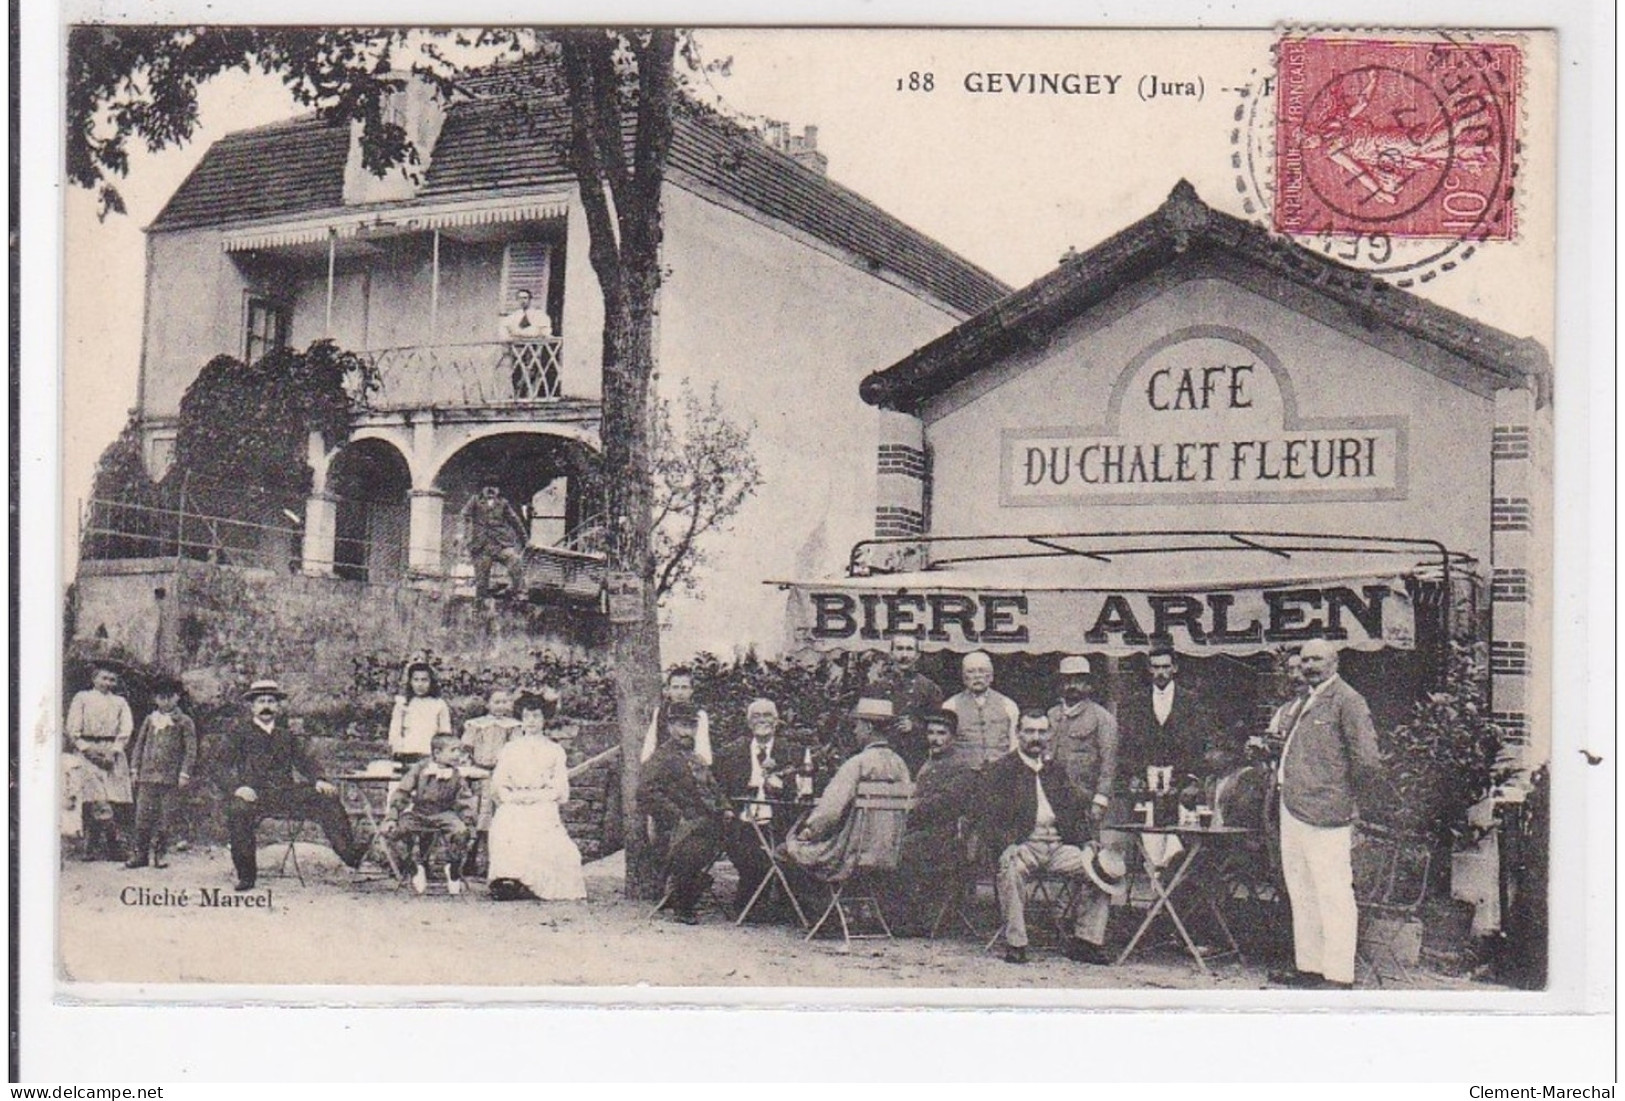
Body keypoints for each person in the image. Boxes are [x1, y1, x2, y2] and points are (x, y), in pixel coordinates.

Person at [1270, 639, 1383, 991]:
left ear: (1335, 662)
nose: (1310, 665)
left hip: (1327, 812)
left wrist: (1345, 798)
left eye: (1317, 659)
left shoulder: (1348, 701)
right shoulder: (1307, 700)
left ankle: (1338, 974)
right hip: (1293, 808)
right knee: (1300, 890)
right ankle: (1310, 966)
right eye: (1305, 660)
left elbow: (1367, 761)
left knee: (1333, 892)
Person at [978, 709, 1126, 965]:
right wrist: (1006, 845)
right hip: (1024, 846)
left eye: (1041, 731)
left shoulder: (1055, 770)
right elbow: (987, 817)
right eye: (1029, 731)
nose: (1036, 737)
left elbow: (1072, 811)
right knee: (1010, 868)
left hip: (1058, 848)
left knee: (1100, 870)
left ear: (1049, 734)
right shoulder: (1001, 770)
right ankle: (1016, 943)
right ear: (1018, 734)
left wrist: (1085, 842)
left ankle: (1086, 941)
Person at [220, 679, 362, 891]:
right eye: (261, 701)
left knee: (327, 797)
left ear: (278, 706)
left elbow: (305, 762)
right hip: (253, 795)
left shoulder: (285, 736)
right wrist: (237, 788)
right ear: (252, 706)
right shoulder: (239, 733)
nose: (266, 706)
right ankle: (246, 876)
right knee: (238, 811)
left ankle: (350, 854)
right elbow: (218, 766)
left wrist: (319, 779)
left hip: (284, 794)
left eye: (271, 701)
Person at [783, 698, 912, 883]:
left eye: (857, 725)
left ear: (868, 727)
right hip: (888, 853)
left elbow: (829, 812)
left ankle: (809, 909)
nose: (854, 731)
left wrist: (808, 831)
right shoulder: (901, 765)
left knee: (785, 850)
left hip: (851, 854)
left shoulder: (857, 764)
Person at [1046, 655, 1120, 950]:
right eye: (1067, 680)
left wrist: (1100, 801)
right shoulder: (1050, 717)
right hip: (1051, 804)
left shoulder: (1102, 719)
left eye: (1078, 680)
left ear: (1088, 684)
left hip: (1084, 804)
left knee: (1088, 862)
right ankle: (1061, 918)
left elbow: (1109, 764)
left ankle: (1086, 931)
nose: (1072, 686)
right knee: (1060, 858)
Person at [486, 690, 586, 901]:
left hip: (542, 801)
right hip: (515, 801)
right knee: (506, 825)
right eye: (526, 716)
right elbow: (499, 784)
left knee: (542, 831)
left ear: (544, 719)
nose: (531, 721)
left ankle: (534, 881)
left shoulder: (554, 750)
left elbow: (559, 786)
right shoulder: (510, 748)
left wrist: (538, 797)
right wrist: (512, 797)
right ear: (520, 719)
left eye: (536, 716)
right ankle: (509, 879)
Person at [640, 705, 731, 924]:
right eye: (681, 726)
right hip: (677, 828)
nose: (685, 732)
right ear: (670, 727)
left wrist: (726, 807)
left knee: (743, 841)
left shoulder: (696, 757)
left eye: (690, 727)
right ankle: (684, 902)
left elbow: (714, 788)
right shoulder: (661, 758)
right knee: (693, 850)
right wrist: (676, 815)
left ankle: (693, 886)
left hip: (708, 823)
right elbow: (645, 792)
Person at [894, 708, 979, 931]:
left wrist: (912, 807)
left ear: (953, 737)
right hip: (922, 830)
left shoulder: (962, 767)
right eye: (931, 733)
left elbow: (947, 802)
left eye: (941, 733)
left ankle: (911, 921)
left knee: (901, 850)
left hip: (947, 836)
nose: (935, 739)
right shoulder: (927, 763)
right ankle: (891, 914)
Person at [715, 698, 799, 914]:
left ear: (777, 720)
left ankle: (781, 903)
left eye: (768, 715)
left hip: (780, 822)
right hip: (742, 823)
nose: (762, 720)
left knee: (789, 852)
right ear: (748, 722)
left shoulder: (791, 752)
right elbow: (719, 791)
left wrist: (780, 785)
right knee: (750, 855)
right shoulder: (730, 753)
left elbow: (800, 791)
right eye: (756, 716)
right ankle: (753, 904)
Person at [383, 733, 478, 896]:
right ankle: (413, 866)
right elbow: (402, 792)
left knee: (461, 832)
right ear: (437, 753)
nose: (458, 755)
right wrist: (392, 816)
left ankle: (453, 866)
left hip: (444, 813)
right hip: (418, 812)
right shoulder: (420, 769)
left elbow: (465, 800)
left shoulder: (456, 774)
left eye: (460, 751)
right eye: (453, 750)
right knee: (391, 832)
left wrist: (468, 821)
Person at [1117, 644, 1223, 787]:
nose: (1161, 672)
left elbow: (1201, 740)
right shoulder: (1136, 701)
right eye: (1156, 667)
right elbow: (1127, 741)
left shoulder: (1191, 701)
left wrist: (1193, 779)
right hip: (1143, 782)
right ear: (1149, 669)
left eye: (1166, 667)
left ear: (1175, 668)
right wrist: (1133, 774)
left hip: (1182, 782)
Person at [124, 675, 198, 870]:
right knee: (143, 816)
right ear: (155, 699)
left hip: (170, 777)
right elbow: (139, 745)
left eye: (169, 696)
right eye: (160, 697)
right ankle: (140, 854)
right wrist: (134, 769)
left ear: (177, 698)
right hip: (147, 776)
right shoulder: (150, 720)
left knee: (166, 816)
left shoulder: (184, 721)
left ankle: (160, 854)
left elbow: (191, 750)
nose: (165, 701)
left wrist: (184, 773)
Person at [64, 662, 136, 861]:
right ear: (94, 678)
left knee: (111, 799)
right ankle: (114, 845)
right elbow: (72, 728)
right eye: (104, 678)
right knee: (96, 799)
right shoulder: (83, 698)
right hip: (88, 751)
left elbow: (126, 728)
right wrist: (88, 751)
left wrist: (114, 752)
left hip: (112, 751)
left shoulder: (120, 702)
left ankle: (92, 845)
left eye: (112, 679)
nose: (108, 682)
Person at [460, 685, 523, 875]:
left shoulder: (513, 726)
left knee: (499, 817)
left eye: (504, 702)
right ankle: (472, 858)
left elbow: (515, 752)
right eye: (496, 702)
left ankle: (495, 861)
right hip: (479, 774)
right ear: (488, 704)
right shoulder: (477, 725)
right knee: (479, 815)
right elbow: (466, 749)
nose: (500, 706)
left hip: (501, 775)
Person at [875, 635, 944, 775]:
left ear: (917, 655)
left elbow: (939, 726)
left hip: (916, 757)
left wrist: (915, 727)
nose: (904, 655)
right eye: (899, 649)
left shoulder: (929, 688)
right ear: (891, 653)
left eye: (909, 649)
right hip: (884, 757)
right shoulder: (877, 687)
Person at [942, 651, 1020, 768]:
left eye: (982, 671)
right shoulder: (950, 706)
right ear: (964, 677)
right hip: (964, 774)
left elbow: (1015, 744)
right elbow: (945, 745)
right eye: (971, 671)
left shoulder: (1008, 705)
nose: (977, 676)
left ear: (991, 677)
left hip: (999, 773)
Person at [458, 485, 527, 601]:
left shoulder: (503, 503)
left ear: (498, 490)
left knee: (515, 560)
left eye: (494, 487)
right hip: (481, 546)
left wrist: (525, 539)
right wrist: (461, 535)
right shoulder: (475, 500)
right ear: (482, 489)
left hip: (501, 545)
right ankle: (481, 604)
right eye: (487, 487)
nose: (490, 490)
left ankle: (519, 592)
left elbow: (515, 521)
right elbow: (464, 516)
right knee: (481, 581)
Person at [639, 665, 712, 767]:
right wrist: (647, 766)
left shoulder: (699, 714)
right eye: (675, 687)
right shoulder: (660, 712)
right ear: (668, 690)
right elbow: (650, 743)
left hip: (688, 768)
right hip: (663, 767)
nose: (680, 692)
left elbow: (702, 747)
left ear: (692, 690)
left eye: (684, 687)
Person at [388, 660, 453, 765]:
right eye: (416, 680)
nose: (420, 684)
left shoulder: (439, 704)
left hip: (430, 756)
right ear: (410, 681)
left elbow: (445, 732)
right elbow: (394, 732)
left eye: (424, 680)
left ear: (431, 682)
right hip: (407, 754)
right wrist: (397, 750)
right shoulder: (402, 704)